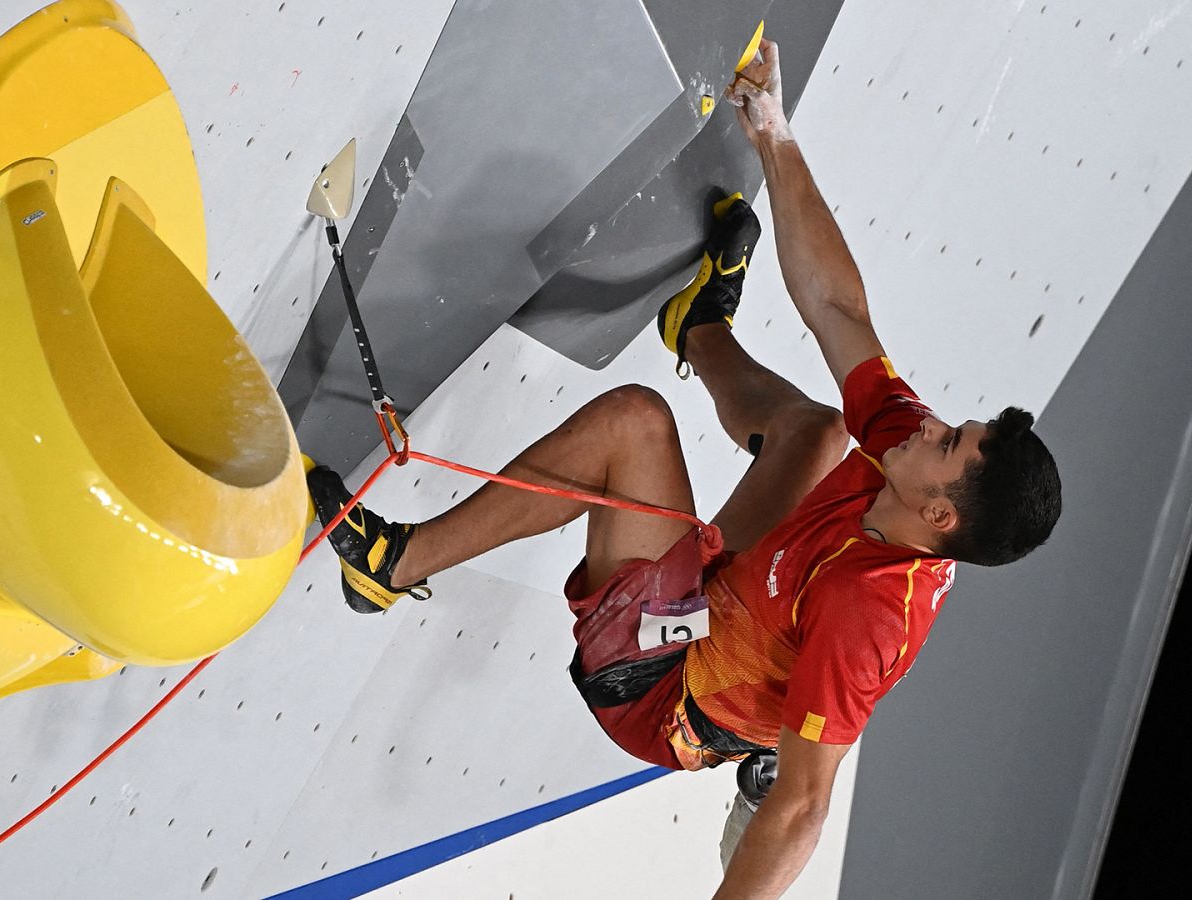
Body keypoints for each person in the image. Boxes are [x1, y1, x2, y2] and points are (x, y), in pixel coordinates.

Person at [307, 35, 1061, 899]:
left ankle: (395, 566)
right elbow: (839, 309)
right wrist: (773, 136)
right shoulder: (906, 457)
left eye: (946, 444)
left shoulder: (867, 615)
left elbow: (808, 809)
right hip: (740, 596)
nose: (928, 425)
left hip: (660, 686)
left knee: (633, 425)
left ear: (938, 515)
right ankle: (698, 324)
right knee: (816, 433)